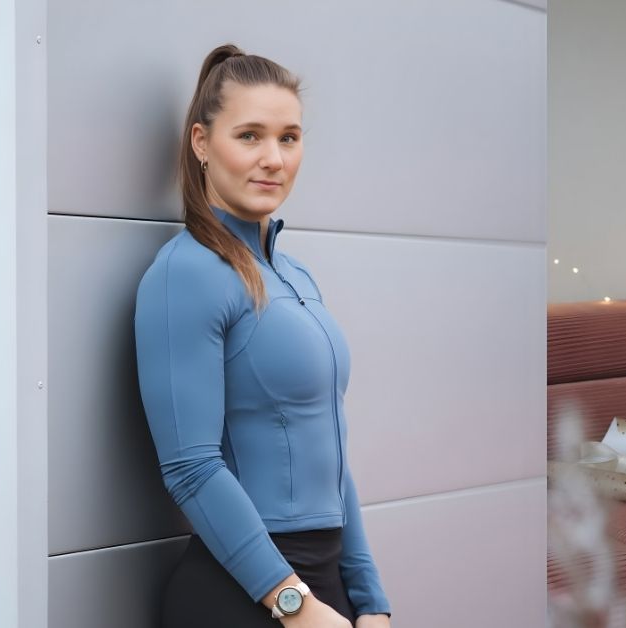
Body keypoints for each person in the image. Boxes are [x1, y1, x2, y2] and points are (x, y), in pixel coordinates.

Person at [134, 44, 392, 628]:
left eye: (289, 137)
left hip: (325, 592)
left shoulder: (296, 275)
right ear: (202, 143)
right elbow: (190, 466)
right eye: (249, 135)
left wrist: (371, 598)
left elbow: (333, 451)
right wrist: (292, 603)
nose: (273, 158)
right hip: (244, 596)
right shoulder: (187, 274)